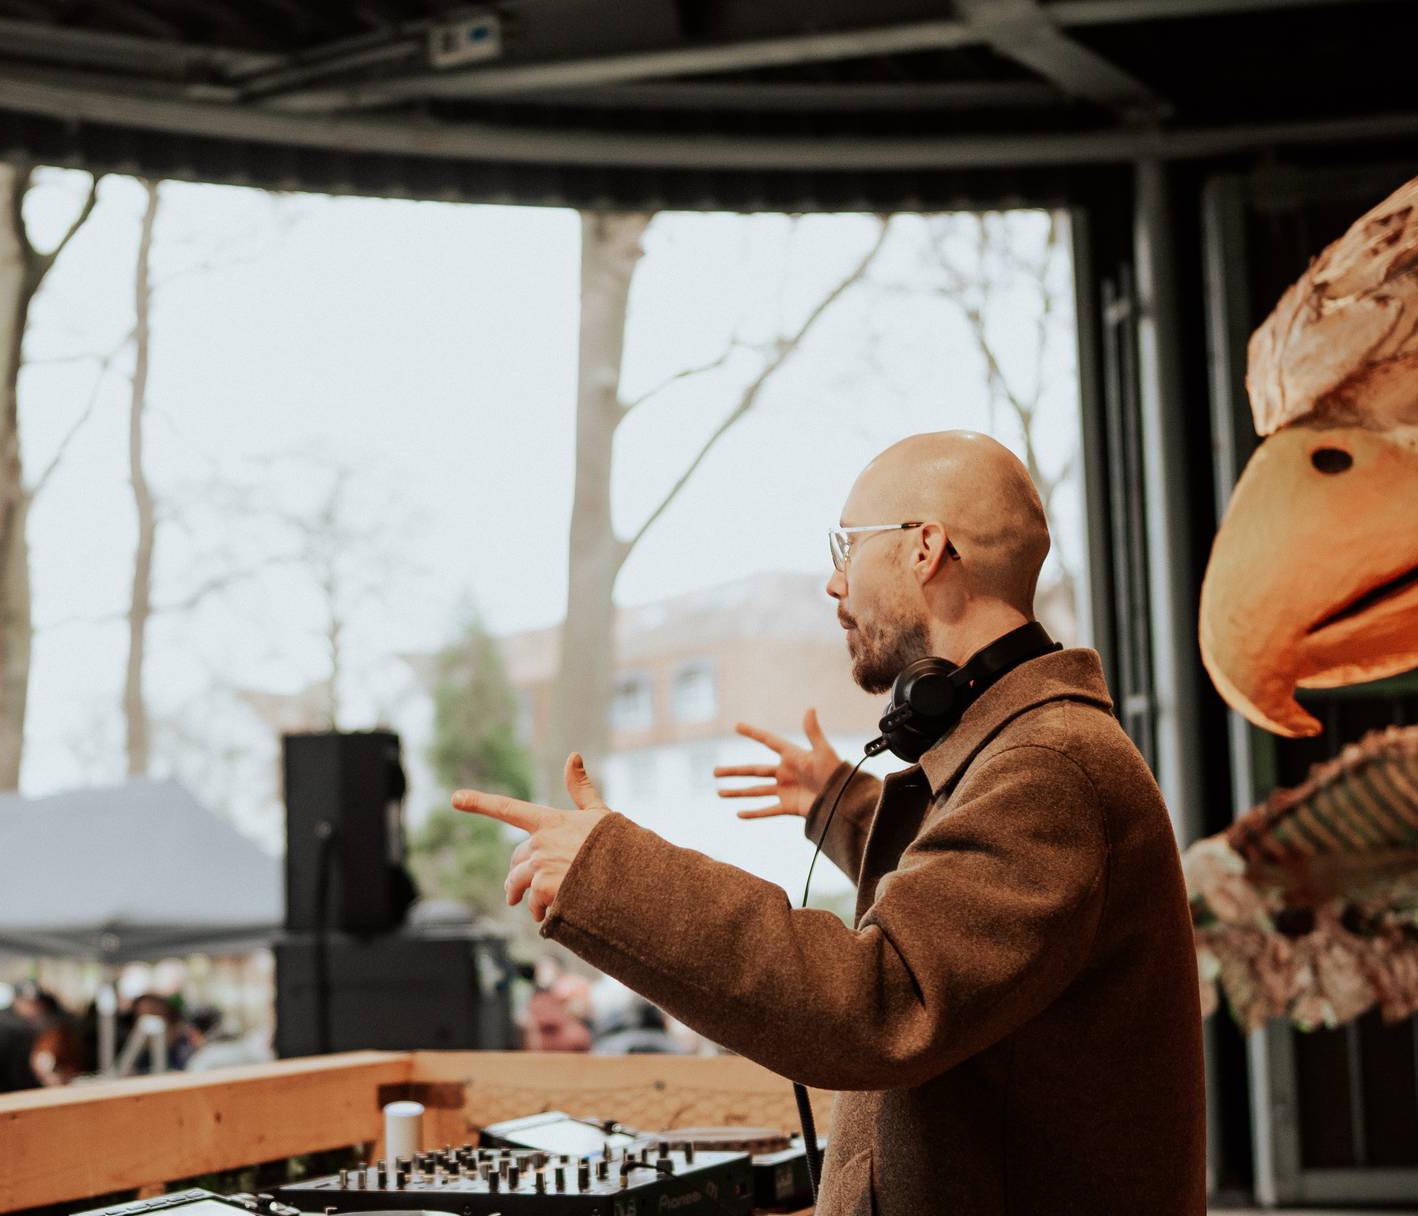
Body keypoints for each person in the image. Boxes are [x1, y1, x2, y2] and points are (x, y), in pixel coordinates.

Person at [454, 432, 1208, 1215]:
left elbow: (881, 1003)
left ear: (925, 548)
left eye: (848, 545)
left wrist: (609, 875)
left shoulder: (1050, 771)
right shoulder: (1029, 758)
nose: (833, 580)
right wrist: (846, 807)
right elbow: (970, 908)